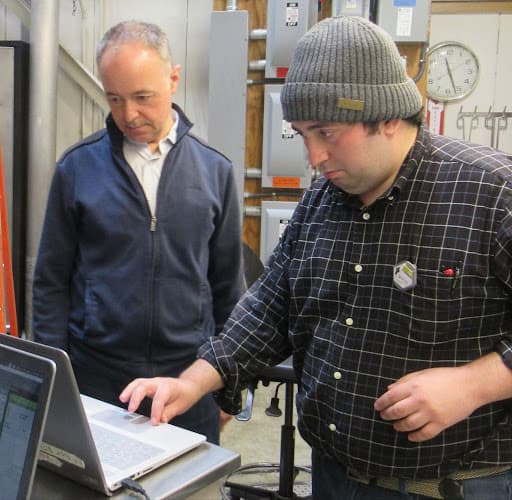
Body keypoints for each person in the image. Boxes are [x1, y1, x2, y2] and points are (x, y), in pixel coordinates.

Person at [120, 16, 512, 499]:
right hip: (333, 476)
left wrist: (475, 384)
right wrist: (193, 382)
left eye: (327, 132)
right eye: (303, 134)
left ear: (388, 117)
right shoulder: (321, 201)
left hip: (454, 486)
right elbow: (271, 306)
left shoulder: (492, 194)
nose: (314, 157)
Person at [32, 20, 245, 444]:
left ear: (174, 79)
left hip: (188, 379)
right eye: (114, 98)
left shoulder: (214, 171)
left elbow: (228, 287)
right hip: (96, 379)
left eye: (142, 97)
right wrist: (55, 377)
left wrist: (228, 383)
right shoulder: (76, 168)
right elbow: (50, 284)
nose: (128, 115)